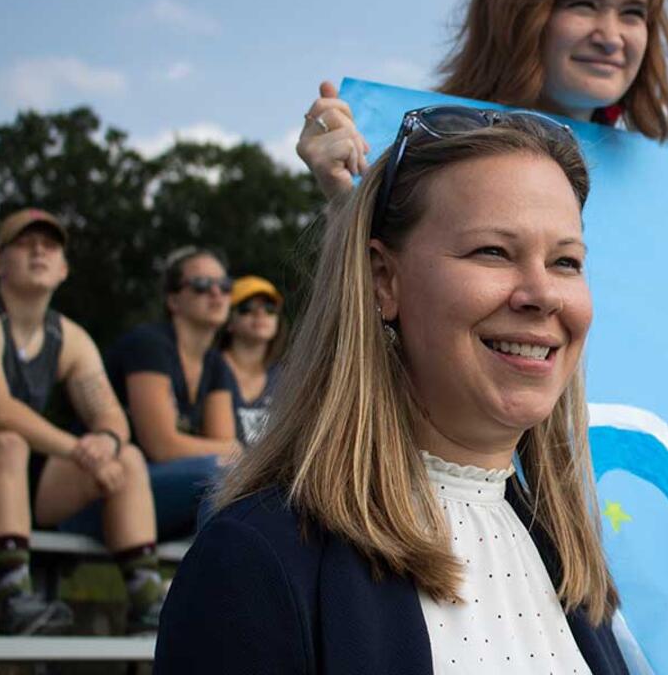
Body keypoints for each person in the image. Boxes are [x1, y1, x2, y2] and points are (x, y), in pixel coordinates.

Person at [155, 107, 626, 673]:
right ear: (384, 280)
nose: (542, 294)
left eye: (566, 262)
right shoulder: (256, 559)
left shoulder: (572, 569)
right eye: (493, 252)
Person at [297, 0, 668, 199]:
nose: (611, 37)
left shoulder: (660, 167)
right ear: (518, 15)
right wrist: (345, 204)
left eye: (632, 13)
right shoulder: (413, 154)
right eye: (582, 4)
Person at [0, 209, 164, 634]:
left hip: (18, 482)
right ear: (0, 263)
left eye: (50, 245)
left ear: (64, 269)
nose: (39, 251)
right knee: (8, 443)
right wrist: (79, 451)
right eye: (24, 243)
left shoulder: (67, 336)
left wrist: (106, 441)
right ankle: (10, 595)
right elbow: (1, 409)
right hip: (6, 458)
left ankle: (146, 601)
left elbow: (110, 413)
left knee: (126, 458)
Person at [105, 247, 240, 539]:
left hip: (171, 492)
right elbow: (161, 446)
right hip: (113, 488)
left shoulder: (216, 363)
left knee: (245, 483)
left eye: (224, 285)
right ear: (173, 300)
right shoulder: (149, 346)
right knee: (220, 476)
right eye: (202, 284)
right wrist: (226, 452)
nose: (216, 293)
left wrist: (228, 451)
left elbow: (227, 444)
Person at [219, 275, 284, 446]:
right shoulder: (209, 368)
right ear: (228, 321)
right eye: (246, 308)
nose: (260, 314)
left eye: (270, 308)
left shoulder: (286, 375)